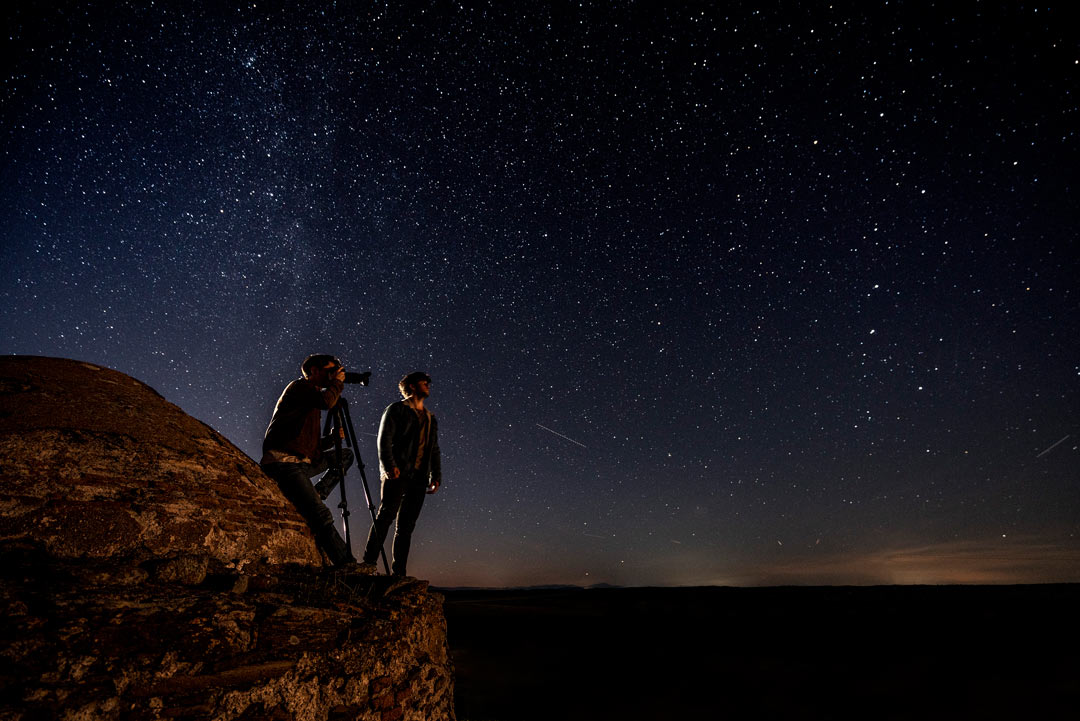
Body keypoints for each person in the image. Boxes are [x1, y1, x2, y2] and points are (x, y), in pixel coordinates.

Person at [261, 353, 355, 566]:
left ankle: (319, 492)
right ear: (314, 371)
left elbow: (308, 446)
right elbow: (326, 401)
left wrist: (330, 440)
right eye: (329, 371)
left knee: (345, 455)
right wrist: (337, 385)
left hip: (302, 462)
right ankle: (347, 565)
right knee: (321, 516)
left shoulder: (311, 397)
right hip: (283, 463)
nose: (332, 377)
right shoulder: (299, 387)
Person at [361, 371, 442, 576]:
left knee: (406, 526)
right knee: (386, 516)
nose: (428, 385)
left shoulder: (431, 418)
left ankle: (399, 573)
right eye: (424, 382)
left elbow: (434, 449)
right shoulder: (396, 409)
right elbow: (384, 439)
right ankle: (368, 563)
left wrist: (436, 476)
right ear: (412, 386)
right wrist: (388, 465)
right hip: (396, 473)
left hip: (419, 478)